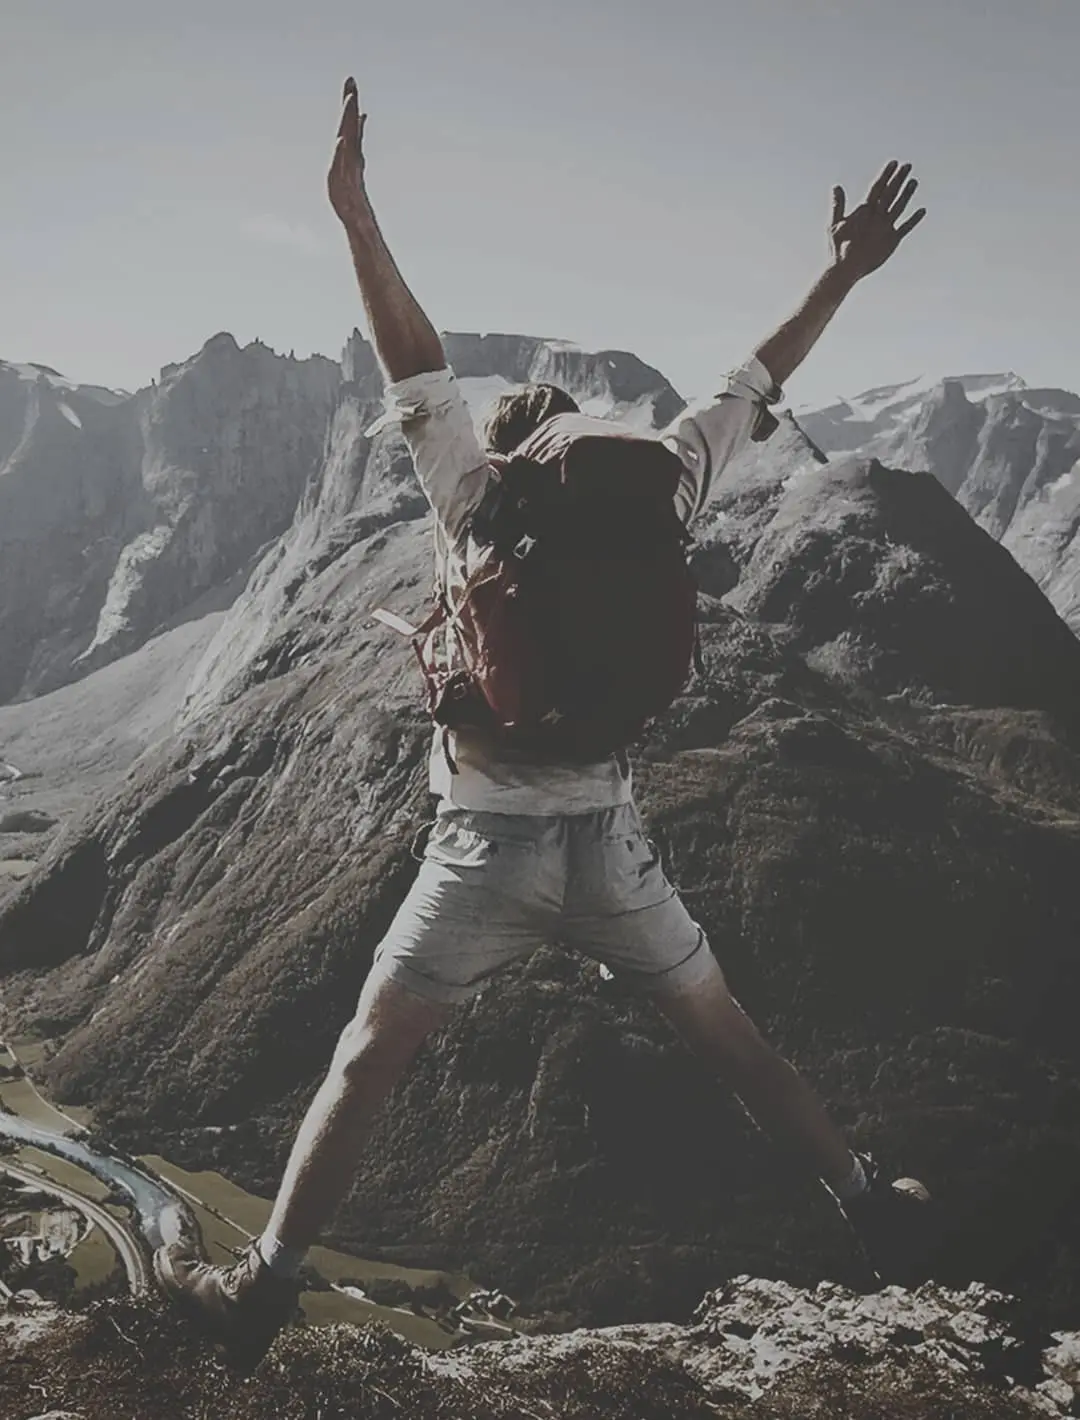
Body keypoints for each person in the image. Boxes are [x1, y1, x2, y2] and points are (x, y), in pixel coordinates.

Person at [155, 77, 931, 1363]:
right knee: (733, 1038)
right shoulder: (664, 479)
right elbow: (760, 370)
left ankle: (260, 1291)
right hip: (611, 847)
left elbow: (411, 351)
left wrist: (353, 215)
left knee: (364, 1061)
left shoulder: (474, 491)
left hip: (482, 853)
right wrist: (842, 272)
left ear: (512, 443)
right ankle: (869, 1207)